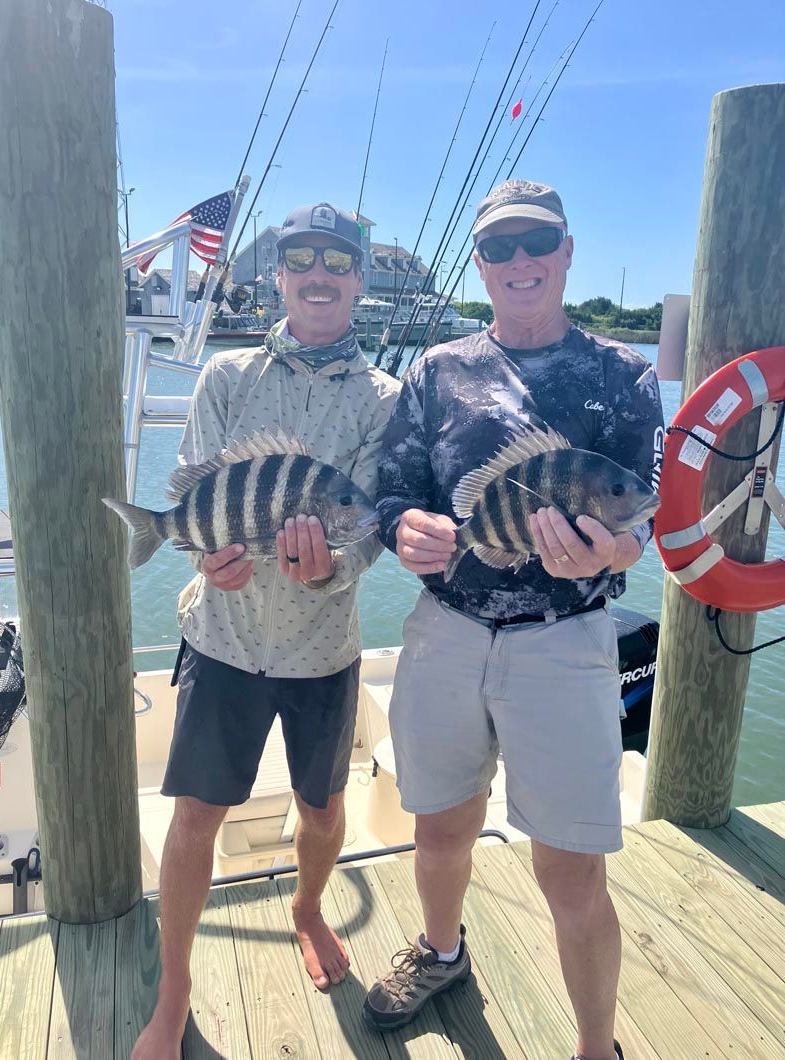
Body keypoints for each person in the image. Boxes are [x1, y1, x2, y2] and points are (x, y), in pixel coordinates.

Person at [366, 180, 664, 1060]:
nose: (519, 260)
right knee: (439, 828)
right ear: (479, 263)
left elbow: (639, 515)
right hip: (447, 630)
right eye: (499, 247)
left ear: (567, 251)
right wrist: (402, 529)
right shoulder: (435, 371)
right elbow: (393, 492)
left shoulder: (623, 373)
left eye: (537, 241)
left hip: (566, 642)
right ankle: (442, 953)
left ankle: (596, 1046)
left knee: (570, 870)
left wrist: (610, 553)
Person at [132, 202, 399, 1060]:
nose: (319, 275)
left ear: (359, 278)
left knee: (323, 809)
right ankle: (174, 991)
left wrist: (328, 570)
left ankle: (308, 908)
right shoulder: (226, 374)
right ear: (278, 275)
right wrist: (203, 558)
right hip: (224, 638)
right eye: (301, 260)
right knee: (195, 818)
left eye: (337, 261)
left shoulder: (385, 399)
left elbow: (370, 527)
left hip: (323, 650)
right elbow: (195, 486)